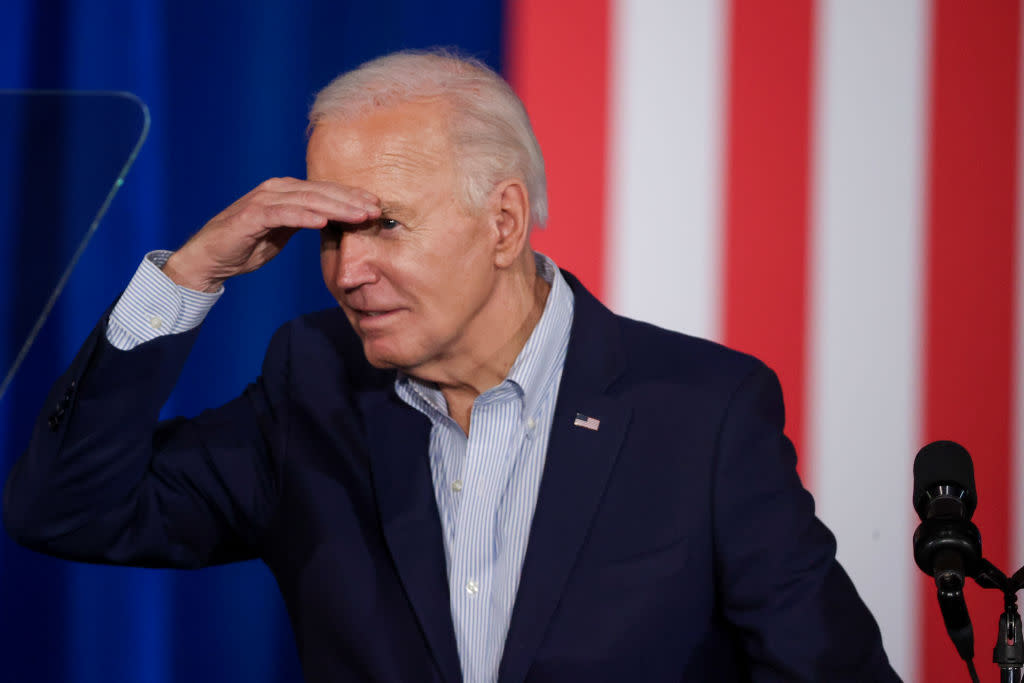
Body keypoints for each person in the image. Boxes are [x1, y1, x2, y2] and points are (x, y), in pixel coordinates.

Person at [3, 50, 900, 682]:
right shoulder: (311, 387)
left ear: (503, 223)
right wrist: (188, 276)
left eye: (385, 223)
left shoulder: (701, 413)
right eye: (334, 233)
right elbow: (64, 510)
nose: (349, 272)